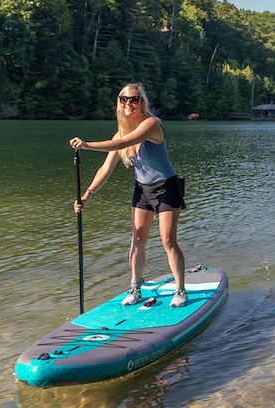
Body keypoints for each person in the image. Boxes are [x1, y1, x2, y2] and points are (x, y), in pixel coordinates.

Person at [70, 83, 189, 307]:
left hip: (166, 187)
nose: (128, 103)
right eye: (123, 99)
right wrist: (87, 196)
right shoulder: (121, 132)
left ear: (142, 102)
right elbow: (105, 169)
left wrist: (87, 145)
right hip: (142, 190)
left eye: (133, 99)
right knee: (137, 240)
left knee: (168, 241)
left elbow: (125, 142)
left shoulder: (152, 124)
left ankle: (180, 290)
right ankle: (135, 289)